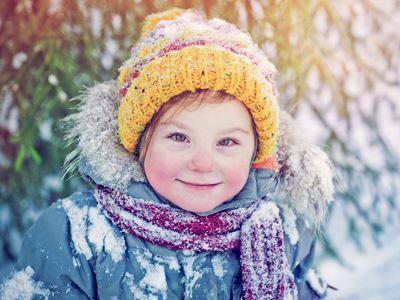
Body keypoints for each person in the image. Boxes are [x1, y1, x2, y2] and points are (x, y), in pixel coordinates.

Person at [0, 8, 335, 300]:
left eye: (227, 142)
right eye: (178, 136)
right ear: (138, 141)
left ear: (256, 152)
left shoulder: (284, 235)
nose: (203, 163)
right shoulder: (73, 239)